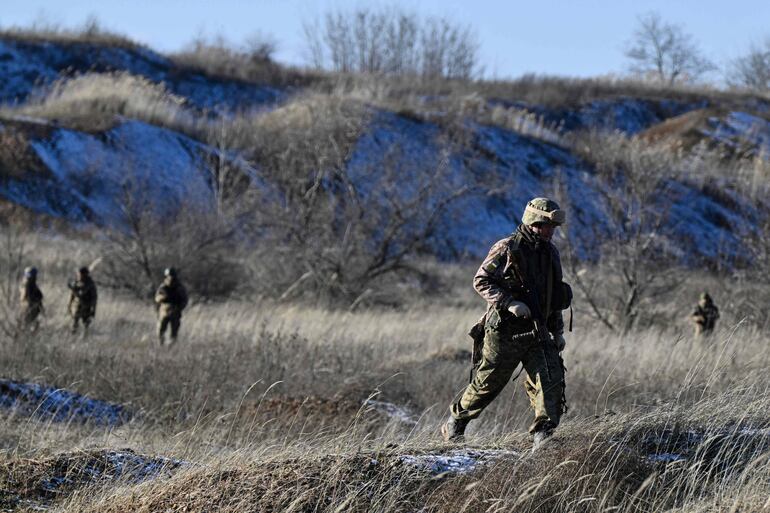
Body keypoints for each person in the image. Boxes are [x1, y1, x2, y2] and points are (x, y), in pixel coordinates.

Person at [442, 198, 573, 450]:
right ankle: (456, 423)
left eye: (553, 227)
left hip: (538, 330)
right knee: (488, 383)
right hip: (505, 331)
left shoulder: (551, 252)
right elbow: (481, 280)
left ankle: (543, 437)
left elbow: (553, 295)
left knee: (550, 379)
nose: (551, 231)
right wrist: (508, 302)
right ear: (534, 223)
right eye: (548, 226)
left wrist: (557, 332)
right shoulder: (507, 248)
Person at [154, 267, 188, 345]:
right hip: (164, 311)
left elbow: (185, 300)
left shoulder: (179, 287)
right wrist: (163, 298)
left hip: (175, 311)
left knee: (174, 333)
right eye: (169, 276)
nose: (170, 278)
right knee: (160, 331)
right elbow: (157, 298)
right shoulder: (163, 286)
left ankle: (171, 348)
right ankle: (161, 345)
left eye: (172, 275)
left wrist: (179, 308)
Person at [68, 266, 98, 335]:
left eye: (80, 274)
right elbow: (73, 294)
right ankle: (74, 334)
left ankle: (85, 336)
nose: (79, 275)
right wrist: (70, 304)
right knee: (76, 319)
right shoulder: (78, 281)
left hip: (87, 305)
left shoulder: (89, 283)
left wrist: (93, 309)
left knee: (86, 323)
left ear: (84, 274)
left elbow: (81, 293)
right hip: (80, 304)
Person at [19, 266, 44, 332]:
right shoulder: (27, 285)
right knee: (27, 327)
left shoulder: (30, 284)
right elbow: (28, 298)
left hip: (31, 309)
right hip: (29, 309)